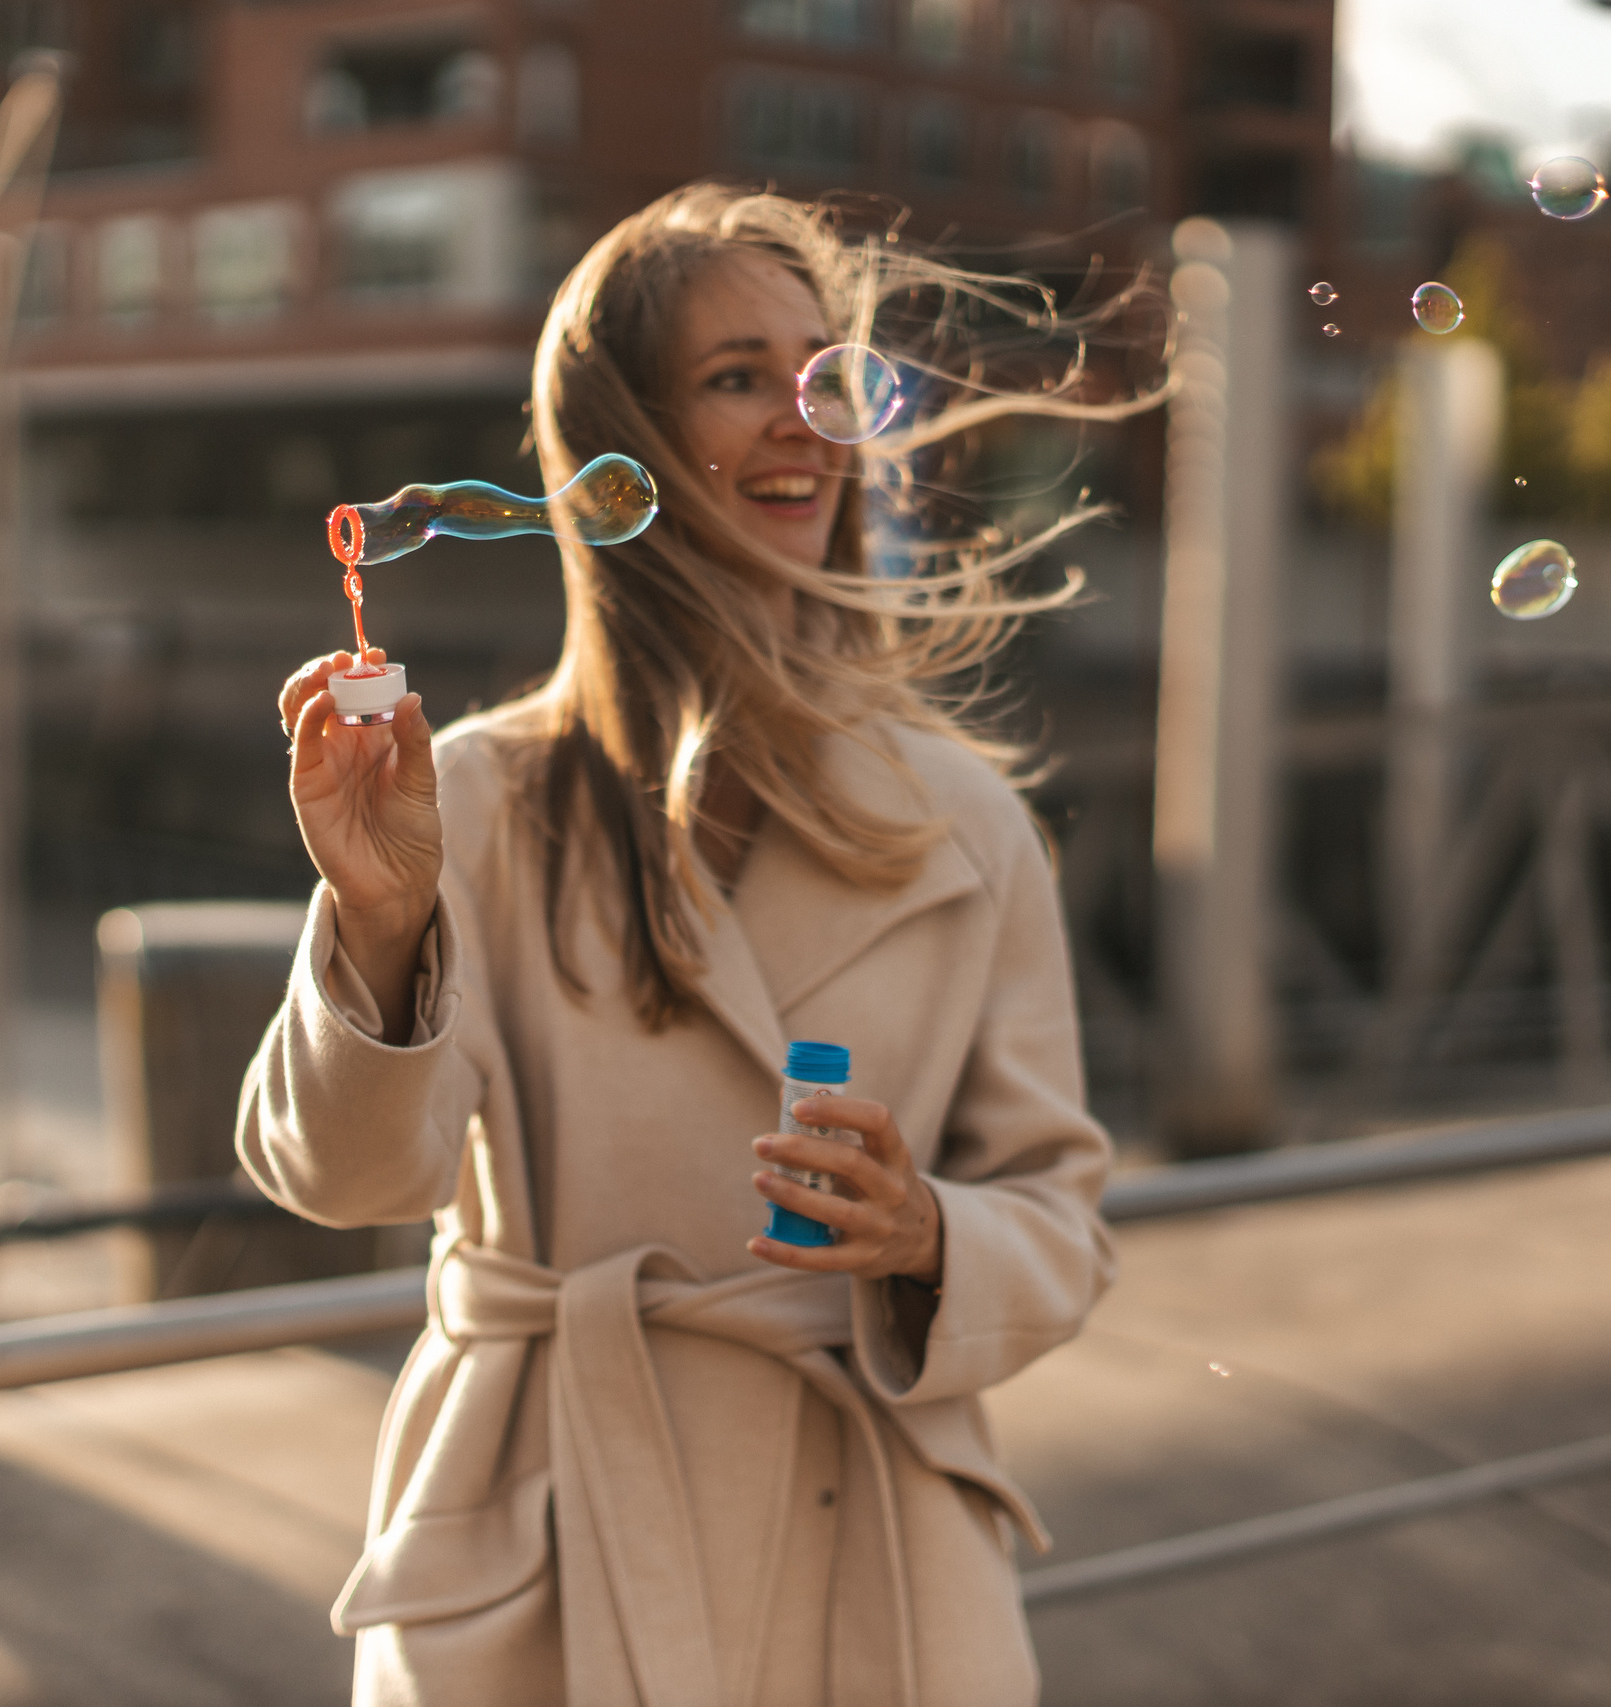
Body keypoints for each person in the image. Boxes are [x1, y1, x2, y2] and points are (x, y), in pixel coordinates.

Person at [242, 182, 1165, 1707]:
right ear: (620, 449)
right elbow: (345, 1185)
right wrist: (382, 918)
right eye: (739, 377)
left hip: (869, 1570)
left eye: (823, 376)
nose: (805, 421)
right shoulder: (472, 795)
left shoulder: (967, 822)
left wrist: (928, 1237)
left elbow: (1062, 1227)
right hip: (549, 1551)